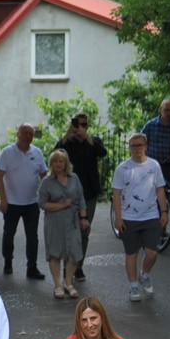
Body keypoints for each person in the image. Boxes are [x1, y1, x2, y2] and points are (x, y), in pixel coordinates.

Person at [111, 133, 169, 302]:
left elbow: (160, 190)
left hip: (151, 216)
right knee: (131, 253)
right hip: (129, 218)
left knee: (152, 253)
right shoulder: (122, 168)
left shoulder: (154, 165)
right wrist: (118, 218)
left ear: (146, 146)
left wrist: (164, 211)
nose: (136, 148)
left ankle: (144, 274)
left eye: (139, 145)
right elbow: (116, 194)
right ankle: (133, 285)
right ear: (129, 148)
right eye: (133, 145)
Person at [54, 113, 107, 282]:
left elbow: (103, 153)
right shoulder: (67, 143)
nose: (80, 127)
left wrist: (88, 138)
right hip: (69, 193)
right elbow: (55, 154)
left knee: (84, 230)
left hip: (89, 193)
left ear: (88, 126)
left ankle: (78, 267)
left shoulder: (94, 141)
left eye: (84, 125)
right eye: (77, 124)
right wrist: (66, 135)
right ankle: (66, 267)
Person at [0, 123, 48, 279]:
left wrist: (45, 197)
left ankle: (32, 267)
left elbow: (44, 176)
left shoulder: (37, 152)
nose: (28, 136)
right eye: (24, 132)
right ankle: (8, 261)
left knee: (33, 237)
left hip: (32, 203)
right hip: (11, 203)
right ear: (18, 134)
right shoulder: (7, 152)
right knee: (9, 234)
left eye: (31, 133)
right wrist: (3, 199)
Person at [39, 150, 88, 300]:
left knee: (73, 251)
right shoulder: (47, 182)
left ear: (66, 163)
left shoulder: (74, 178)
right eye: (55, 161)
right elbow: (42, 203)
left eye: (61, 161)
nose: (58, 164)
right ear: (51, 164)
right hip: (54, 221)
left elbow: (81, 198)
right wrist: (61, 205)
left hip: (72, 221)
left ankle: (69, 283)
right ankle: (57, 285)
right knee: (55, 252)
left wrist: (84, 217)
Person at [141, 98, 170, 187]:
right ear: (161, 109)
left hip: (169, 165)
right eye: (166, 110)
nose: (168, 113)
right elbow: (140, 141)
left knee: (166, 191)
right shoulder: (150, 125)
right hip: (151, 164)